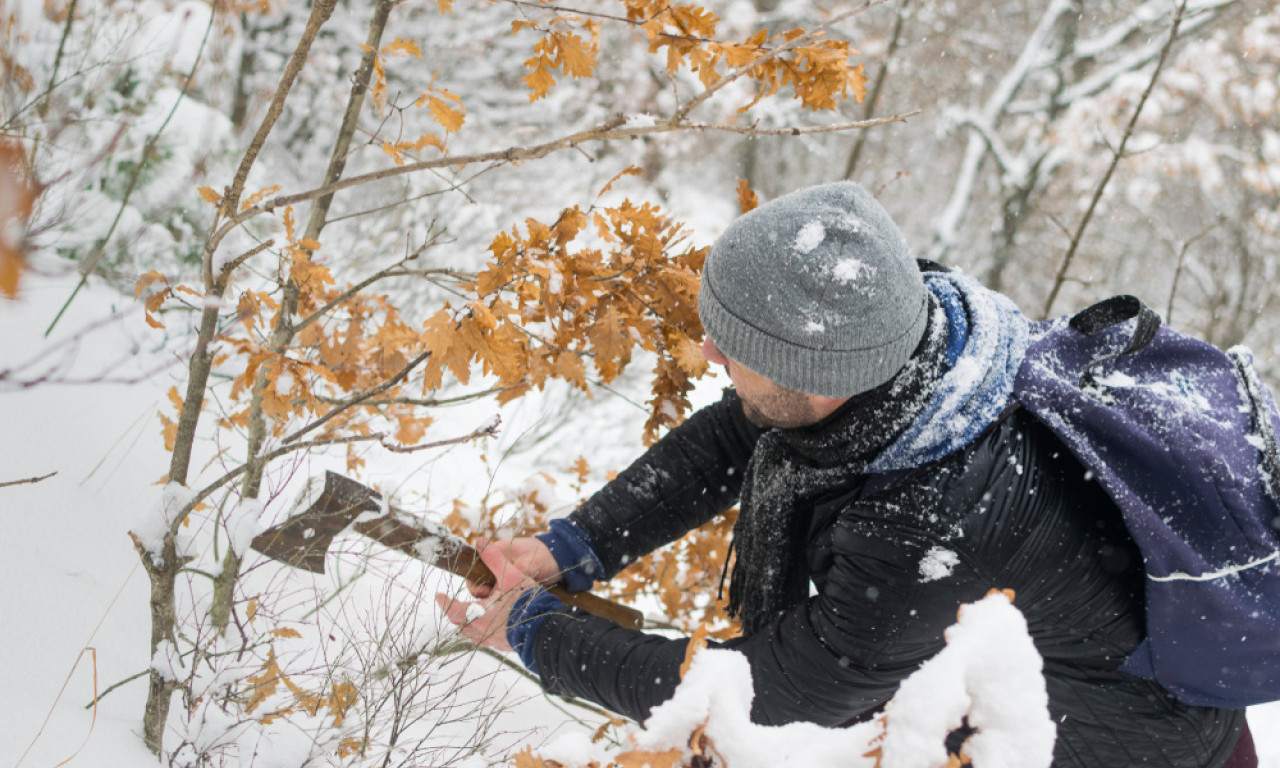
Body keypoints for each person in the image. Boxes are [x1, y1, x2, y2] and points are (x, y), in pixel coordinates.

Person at [438, 182, 1254, 767]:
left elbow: (773, 692)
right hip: (1049, 683)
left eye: (735, 346)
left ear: (818, 374)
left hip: (1129, 745)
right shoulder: (914, 346)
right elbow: (741, 431)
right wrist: (572, 549)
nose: (710, 353)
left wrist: (535, 631)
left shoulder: (930, 519)